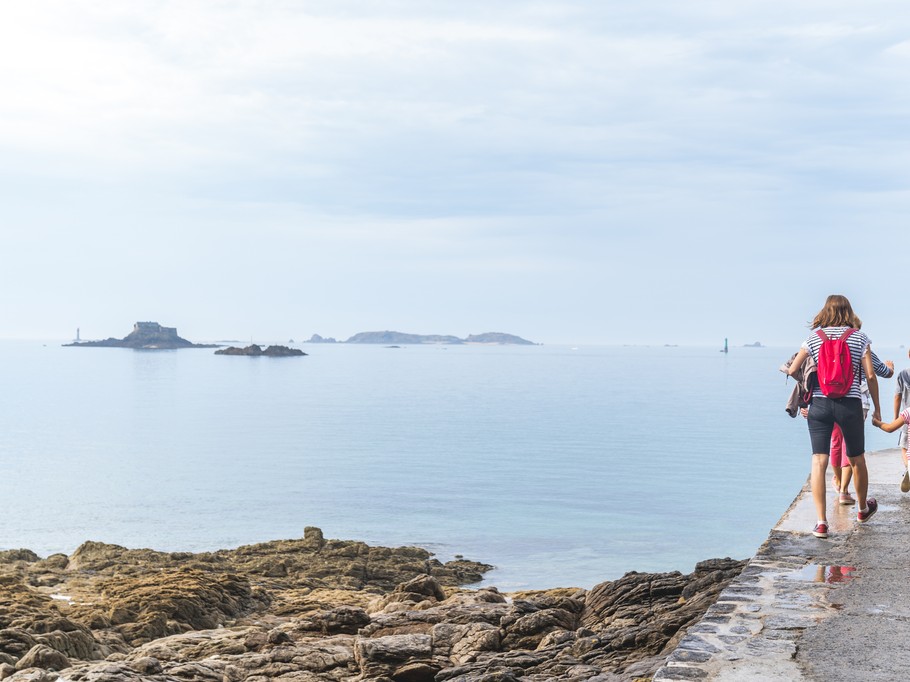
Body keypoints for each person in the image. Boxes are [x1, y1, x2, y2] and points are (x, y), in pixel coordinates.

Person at [787, 295, 882, 539]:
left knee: (819, 461)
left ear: (825, 312)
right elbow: (871, 376)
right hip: (850, 404)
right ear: (848, 311)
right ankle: (862, 509)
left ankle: (821, 523)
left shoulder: (813, 339)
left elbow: (794, 369)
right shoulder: (860, 337)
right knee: (857, 459)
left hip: (819, 404)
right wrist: (878, 409)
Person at [894, 350, 910, 493]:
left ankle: (908, 469)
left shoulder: (903, 374)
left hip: (906, 417)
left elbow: (897, 397)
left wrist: (895, 418)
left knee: (904, 447)